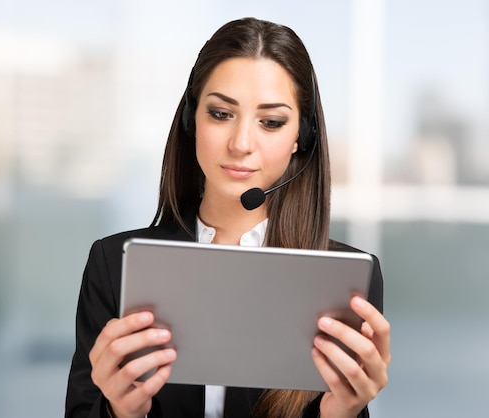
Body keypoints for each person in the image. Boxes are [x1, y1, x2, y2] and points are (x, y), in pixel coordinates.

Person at [65, 17, 390, 418]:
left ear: (299, 139)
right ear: (191, 121)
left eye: (271, 122)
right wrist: (120, 412)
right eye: (220, 114)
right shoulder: (114, 264)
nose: (240, 144)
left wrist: (341, 413)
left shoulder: (343, 281)